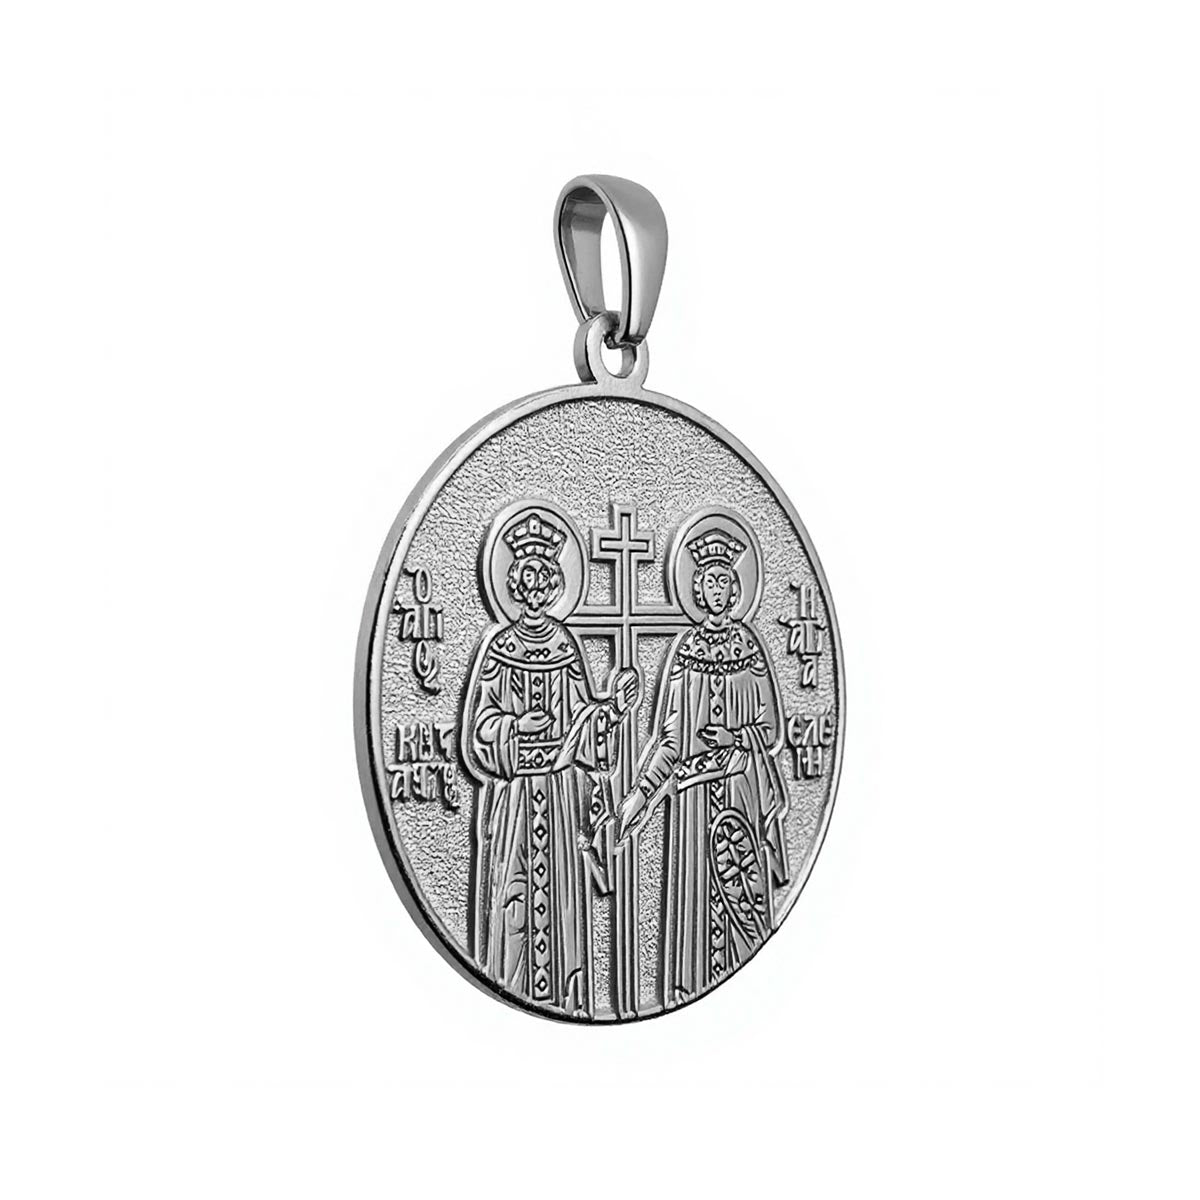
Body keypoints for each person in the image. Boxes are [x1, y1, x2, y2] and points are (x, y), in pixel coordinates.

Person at [466, 511, 637, 1015]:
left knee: (561, 899)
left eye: (545, 576)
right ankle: (509, 981)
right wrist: (516, 727)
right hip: (516, 796)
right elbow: (479, 731)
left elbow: (583, 721)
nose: (536, 587)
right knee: (515, 895)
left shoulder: (565, 646)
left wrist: (611, 712)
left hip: (561, 800)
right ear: (515, 584)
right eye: (528, 576)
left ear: (554, 583)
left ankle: (565, 992)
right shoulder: (499, 649)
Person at [619, 526, 789, 1007]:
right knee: (694, 908)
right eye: (708, 581)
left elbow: (770, 729)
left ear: (735, 589)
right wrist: (641, 793)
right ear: (698, 588)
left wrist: (737, 737)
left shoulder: (749, 649)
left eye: (723, 580)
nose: (716, 589)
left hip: (738, 793)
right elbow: (670, 737)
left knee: (741, 895)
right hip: (692, 803)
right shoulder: (685, 651)